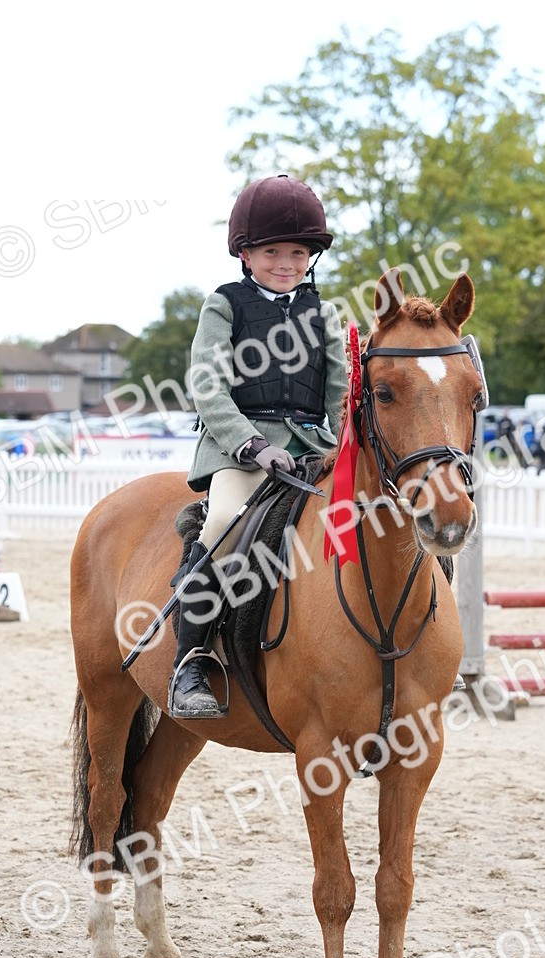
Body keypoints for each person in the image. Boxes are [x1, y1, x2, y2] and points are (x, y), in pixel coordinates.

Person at [169, 175, 347, 719]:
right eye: (273, 251)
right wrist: (249, 444)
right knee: (223, 521)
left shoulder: (327, 315)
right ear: (246, 254)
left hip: (312, 447)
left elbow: (342, 392)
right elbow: (208, 384)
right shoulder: (225, 306)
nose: (286, 262)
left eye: (298, 252)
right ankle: (190, 661)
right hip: (239, 449)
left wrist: (346, 447)